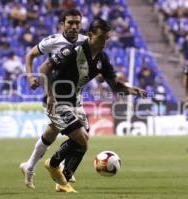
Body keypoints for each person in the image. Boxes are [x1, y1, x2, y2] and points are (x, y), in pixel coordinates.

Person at [36, 18, 147, 192]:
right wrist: (50, 95)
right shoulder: (72, 51)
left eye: (106, 38)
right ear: (90, 35)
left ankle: (62, 181)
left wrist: (132, 90)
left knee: (83, 144)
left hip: (74, 102)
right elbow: (44, 68)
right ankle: (53, 163)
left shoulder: (102, 59)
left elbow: (115, 86)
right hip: (57, 100)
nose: (104, 42)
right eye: (101, 38)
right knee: (81, 139)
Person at [19, 8, 87, 189]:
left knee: (53, 132)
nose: (74, 26)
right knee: (79, 137)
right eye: (70, 23)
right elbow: (30, 55)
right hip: (55, 96)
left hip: (75, 97)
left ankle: (30, 166)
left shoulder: (85, 41)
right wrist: (30, 77)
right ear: (62, 24)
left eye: (77, 23)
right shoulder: (53, 41)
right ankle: (60, 172)